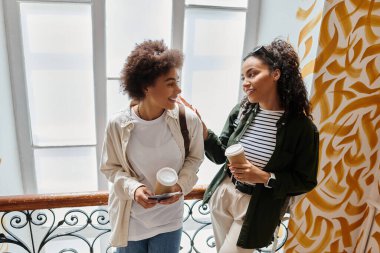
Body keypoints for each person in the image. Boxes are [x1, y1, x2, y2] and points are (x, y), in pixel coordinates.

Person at [181, 39, 319, 252]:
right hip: (224, 193)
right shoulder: (242, 111)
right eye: (243, 77)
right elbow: (220, 155)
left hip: (257, 208)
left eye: (252, 74)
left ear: (276, 74)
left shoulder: (302, 129)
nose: (245, 82)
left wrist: (264, 177)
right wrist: (203, 130)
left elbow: (305, 180)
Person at [100, 40, 204, 253]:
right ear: (146, 86)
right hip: (131, 221)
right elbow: (110, 169)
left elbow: (195, 159)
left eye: (177, 81)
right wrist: (134, 188)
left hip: (169, 221)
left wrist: (180, 186)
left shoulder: (188, 120)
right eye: (169, 83)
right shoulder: (118, 124)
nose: (178, 89)